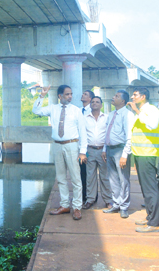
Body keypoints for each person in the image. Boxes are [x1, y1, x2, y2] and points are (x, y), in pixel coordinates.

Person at [32, 85, 88, 220]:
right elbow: (36, 110)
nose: (70, 96)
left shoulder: (76, 110)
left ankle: (76, 207)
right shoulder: (53, 108)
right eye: (67, 94)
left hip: (72, 145)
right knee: (61, 177)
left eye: (71, 94)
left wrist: (83, 152)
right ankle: (64, 205)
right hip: (57, 146)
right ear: (59, 96)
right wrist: (42, 96)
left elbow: (83, 131)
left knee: (75, 178)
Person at [126, 87, 159, 233]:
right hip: (140, 154)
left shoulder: (151, 110)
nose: (132, 97)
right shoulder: (141, 112)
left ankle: (154, 223)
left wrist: (137, 111)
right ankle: (149, 217)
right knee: (145, 188)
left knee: (150, 189)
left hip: (148, 153)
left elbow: (152, 125)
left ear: (143, 96)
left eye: (135, 95)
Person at [102, 90, 133, 219]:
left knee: (123, 179)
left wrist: (125, 155)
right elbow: (106, 133)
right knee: (113, 179)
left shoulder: (127, 115)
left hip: (121, 150)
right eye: (114, 95)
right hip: (110, 149)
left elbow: (129, 136)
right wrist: (104, 149)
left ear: (123, 101)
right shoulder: (110, 114)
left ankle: (124, 206)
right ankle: (116, 204)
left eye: (117, 96)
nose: (113, 97)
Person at [82, 96, 113, 209]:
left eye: (97, 102)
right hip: (90, 150)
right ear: (90, 104)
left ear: (101, 105)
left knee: (105, 176)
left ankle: (108, 200)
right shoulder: (85, 118)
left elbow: (108, 136)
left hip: (103, 151)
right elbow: (83, 136)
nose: (95, 103)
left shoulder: (106, 118)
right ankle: (90, 199)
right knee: (90, 176)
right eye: (93, 102)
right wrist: (83, 152)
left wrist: (105, 149)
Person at [80, 90, 95, 203]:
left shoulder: (92, 111)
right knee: (82, 172)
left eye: (85, 94)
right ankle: (83, 196)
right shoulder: (80, 110)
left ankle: (90, 197)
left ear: (90, 99)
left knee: (88, 173)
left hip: (89, 147)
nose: (82, 95)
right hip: (80, 146)